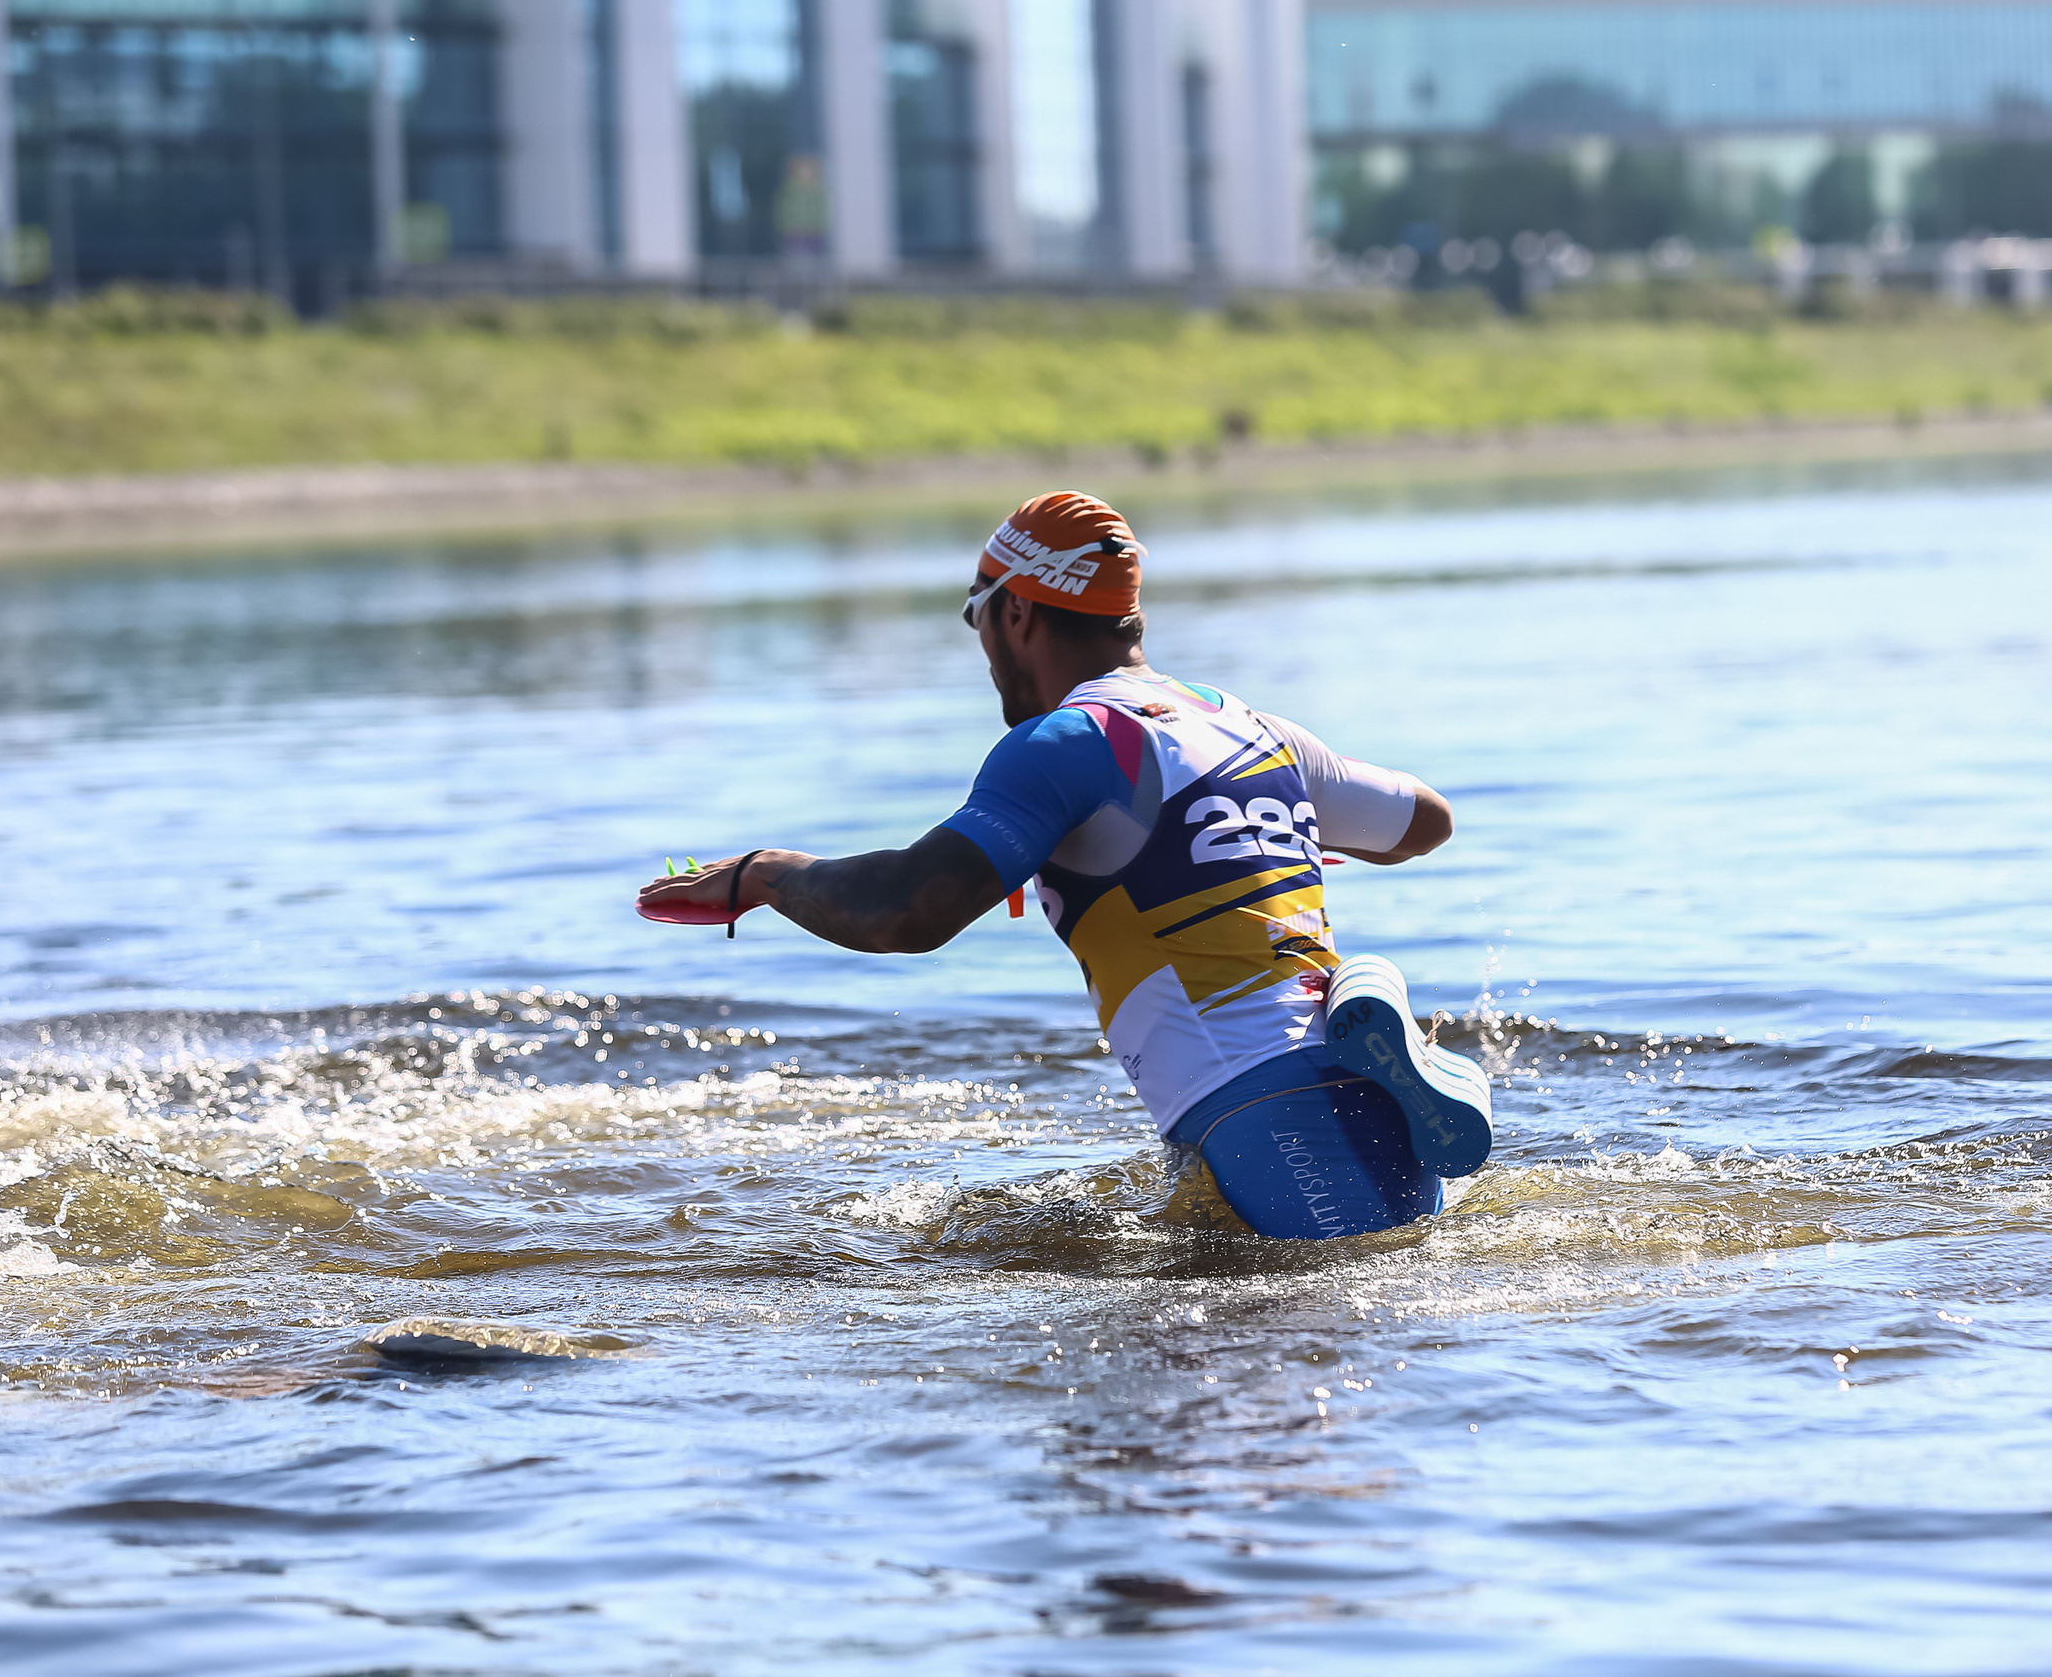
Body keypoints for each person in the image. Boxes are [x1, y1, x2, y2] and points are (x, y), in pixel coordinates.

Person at [637, 491, 1492, 1239]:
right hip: (1364, 1103)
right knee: (1389, 1315)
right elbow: (1423, 823)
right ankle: (1378, 1014)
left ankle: (1376, 1020)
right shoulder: (1254, 729)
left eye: (976, 616)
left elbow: (904, 909)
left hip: (1258, 1111)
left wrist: (765, 874)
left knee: (1292, 1342)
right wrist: (1266, 820)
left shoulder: (1067, 745)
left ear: (1017, 613)